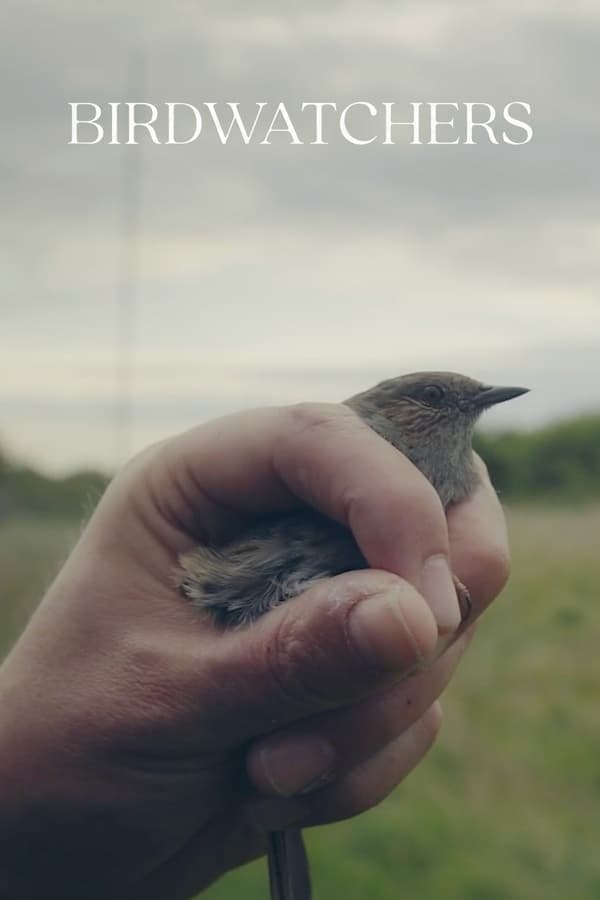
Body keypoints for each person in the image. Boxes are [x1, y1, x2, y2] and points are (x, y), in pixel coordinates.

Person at [0, 402, 510, 899]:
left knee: (292, 775)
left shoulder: (447, 477)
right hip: (248, 596)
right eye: (437, 397)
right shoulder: (356, 453)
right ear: (398, 407)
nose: (466, 405)